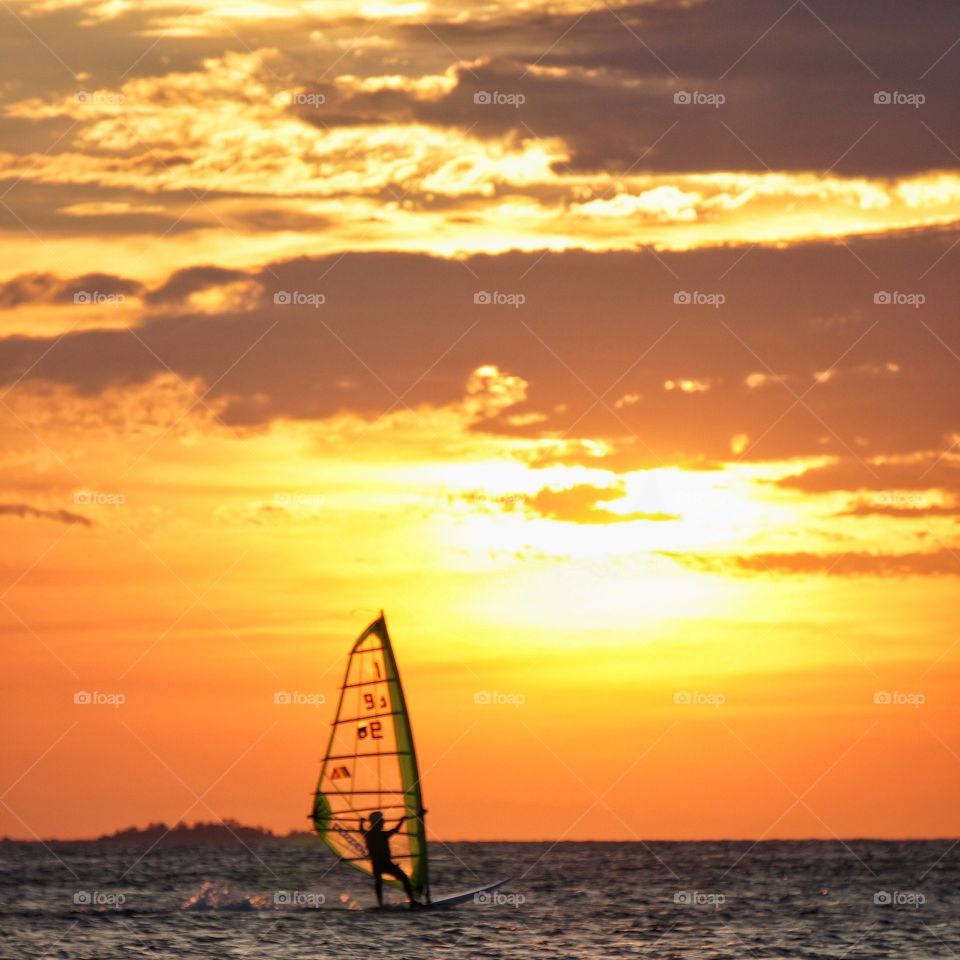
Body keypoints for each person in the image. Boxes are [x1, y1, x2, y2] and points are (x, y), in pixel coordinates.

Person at [360, 811, 418, 908]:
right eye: (382, 821)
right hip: (384, 864)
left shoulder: (369, 834)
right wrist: (401, 821)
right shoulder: (381, 835)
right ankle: (411, 901)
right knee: (403, 878)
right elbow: (396, 830)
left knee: (379, 882)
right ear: (377, 823)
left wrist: (360, 822)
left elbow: (361, 830)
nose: (383, 823)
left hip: (379, 864)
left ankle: (380, 904)